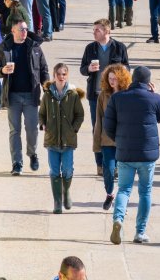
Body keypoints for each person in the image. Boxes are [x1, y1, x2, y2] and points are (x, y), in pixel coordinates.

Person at [104, 66, 160, 245]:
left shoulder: (118, 98)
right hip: (147, 154)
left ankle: (118, 219)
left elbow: (107, 125)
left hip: (125, 152)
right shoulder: (154, 98)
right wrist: (154, 93)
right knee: (145, 192)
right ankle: (140, 232)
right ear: (148, 82)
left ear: (133, 79)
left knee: (124, 189)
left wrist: (119, 140)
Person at [0, 20, 50, 175]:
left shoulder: (35, 47)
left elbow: (43, 69)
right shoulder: (4, 48)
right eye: (21, 29)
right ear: (13, 30)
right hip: (13, 96)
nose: (24, 32)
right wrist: (3, 70)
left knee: (32, 129)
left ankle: (32, 153)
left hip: (31, 95)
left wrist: (47, 87)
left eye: (26, 29)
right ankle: (17, 163)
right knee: (14, 131)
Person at [80, 18, 130, 173]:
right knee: (97, 129)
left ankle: (114, 165)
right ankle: (100, 164)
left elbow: (127, 68)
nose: (94, 32)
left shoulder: (119, 47)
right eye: (94, 29)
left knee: (116, 128)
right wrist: (88, 68)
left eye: (98, 30)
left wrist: (118, 71)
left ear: (107, 31)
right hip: (95, 96)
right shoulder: (90, 48)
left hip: (115, 96)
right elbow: (82, 69)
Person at [39, 63, 85, 214]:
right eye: (58, 74)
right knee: (54, 171)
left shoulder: (72, 95)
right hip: (52, 139)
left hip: (68, 141)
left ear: (67, 76)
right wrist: (43, 124)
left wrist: (74, 128)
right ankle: (57, 202)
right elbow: (42, 113)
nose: (61, 77)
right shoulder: (47, 95)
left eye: (64, 74)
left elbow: (80, 114)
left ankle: (67, 193)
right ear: (54, 75)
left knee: (67, 170)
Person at [93, 63, 131, 211]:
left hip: (123, 140)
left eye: (115, 78)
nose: (112, 81)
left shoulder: (128, 94)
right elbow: (99, 119)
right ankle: (110, 193)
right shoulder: (103, 95)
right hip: (107, 140)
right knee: (108, 170)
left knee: (123, 174)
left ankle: (122, 202)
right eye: (110, 78)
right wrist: (97, 143)